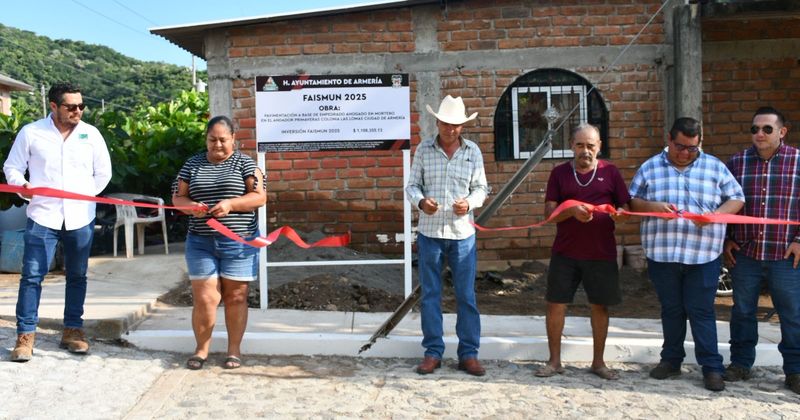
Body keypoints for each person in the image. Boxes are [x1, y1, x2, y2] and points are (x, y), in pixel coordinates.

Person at [629, 117, 745, 391]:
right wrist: (655, 208)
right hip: (662, 254)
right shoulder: (650, 167)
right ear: (668, 140)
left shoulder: (714, 166)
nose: (685, 153)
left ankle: (711, 368)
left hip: (703, 256)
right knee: (671, 310)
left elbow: (737, 198)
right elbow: (631, 201)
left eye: (692, 148)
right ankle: (671, 361)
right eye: (680, 146)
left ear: (699, 143)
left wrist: (716, 216)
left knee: (702, 311)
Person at [4, 82, 112, 362]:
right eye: (71, 106)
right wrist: (23, 187)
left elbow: (103, 173)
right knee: (32, 277)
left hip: (81, 217)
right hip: (43, 215)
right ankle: (25, 336)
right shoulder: (32, 133)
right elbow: (12, 167)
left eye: (81, 106)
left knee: (77, 276)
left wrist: (84, 197)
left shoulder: (92, 134)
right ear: (53, 106)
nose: (78, 111)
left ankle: (73, 331)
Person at [536, 123, 630, 380]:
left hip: (601, 253)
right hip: (565, 252)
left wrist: (621, 214)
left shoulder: (611, 172)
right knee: (555, 304)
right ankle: (554, 361)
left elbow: (625, 206)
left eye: (591, 145)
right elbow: (549, 214)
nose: (585, 150)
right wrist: (571, 211)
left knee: (600, 306)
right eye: (580, 145)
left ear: (599, 147)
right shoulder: (559, 174)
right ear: (571, 146)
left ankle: (598, 363)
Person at [172, 116, 266, 370]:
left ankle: (233, 350)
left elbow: (259, 197)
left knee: (236, 296)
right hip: (201, 241)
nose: (218, 145)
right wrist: (191, 207)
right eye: (212, 139)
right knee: (205, 298)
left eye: (223, 139)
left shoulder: (246, 164)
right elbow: (178, 198)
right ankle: (201, 349)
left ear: (234, 139)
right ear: (206, 139)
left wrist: (231, 204)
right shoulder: (191, 165)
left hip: (239, 242)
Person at [406, 95, 489, 376]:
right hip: (430, 233)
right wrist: (421, 202)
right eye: (445, 123)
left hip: (462, 234)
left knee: (466, 295)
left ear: (462, 126)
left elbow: (481, 188)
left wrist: (470, 203)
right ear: (437, 121)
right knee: (431, 295)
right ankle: (432, 352)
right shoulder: (424, 150)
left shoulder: (472, 152)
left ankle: (468, 354)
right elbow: (412, 185)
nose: (450, 129)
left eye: (455, 125)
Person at [723, 106, 800, 394]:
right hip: (746, 254)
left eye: (767, 129)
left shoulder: (798, 162)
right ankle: (741, 364)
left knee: (792, 314)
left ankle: (795, 370)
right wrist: (727, 238)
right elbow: (726, 202)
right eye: (754, 129)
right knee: (742, 311)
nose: (759, 134)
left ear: (782, 132)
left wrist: (799, 241)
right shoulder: (737, 163)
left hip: (785, 255)